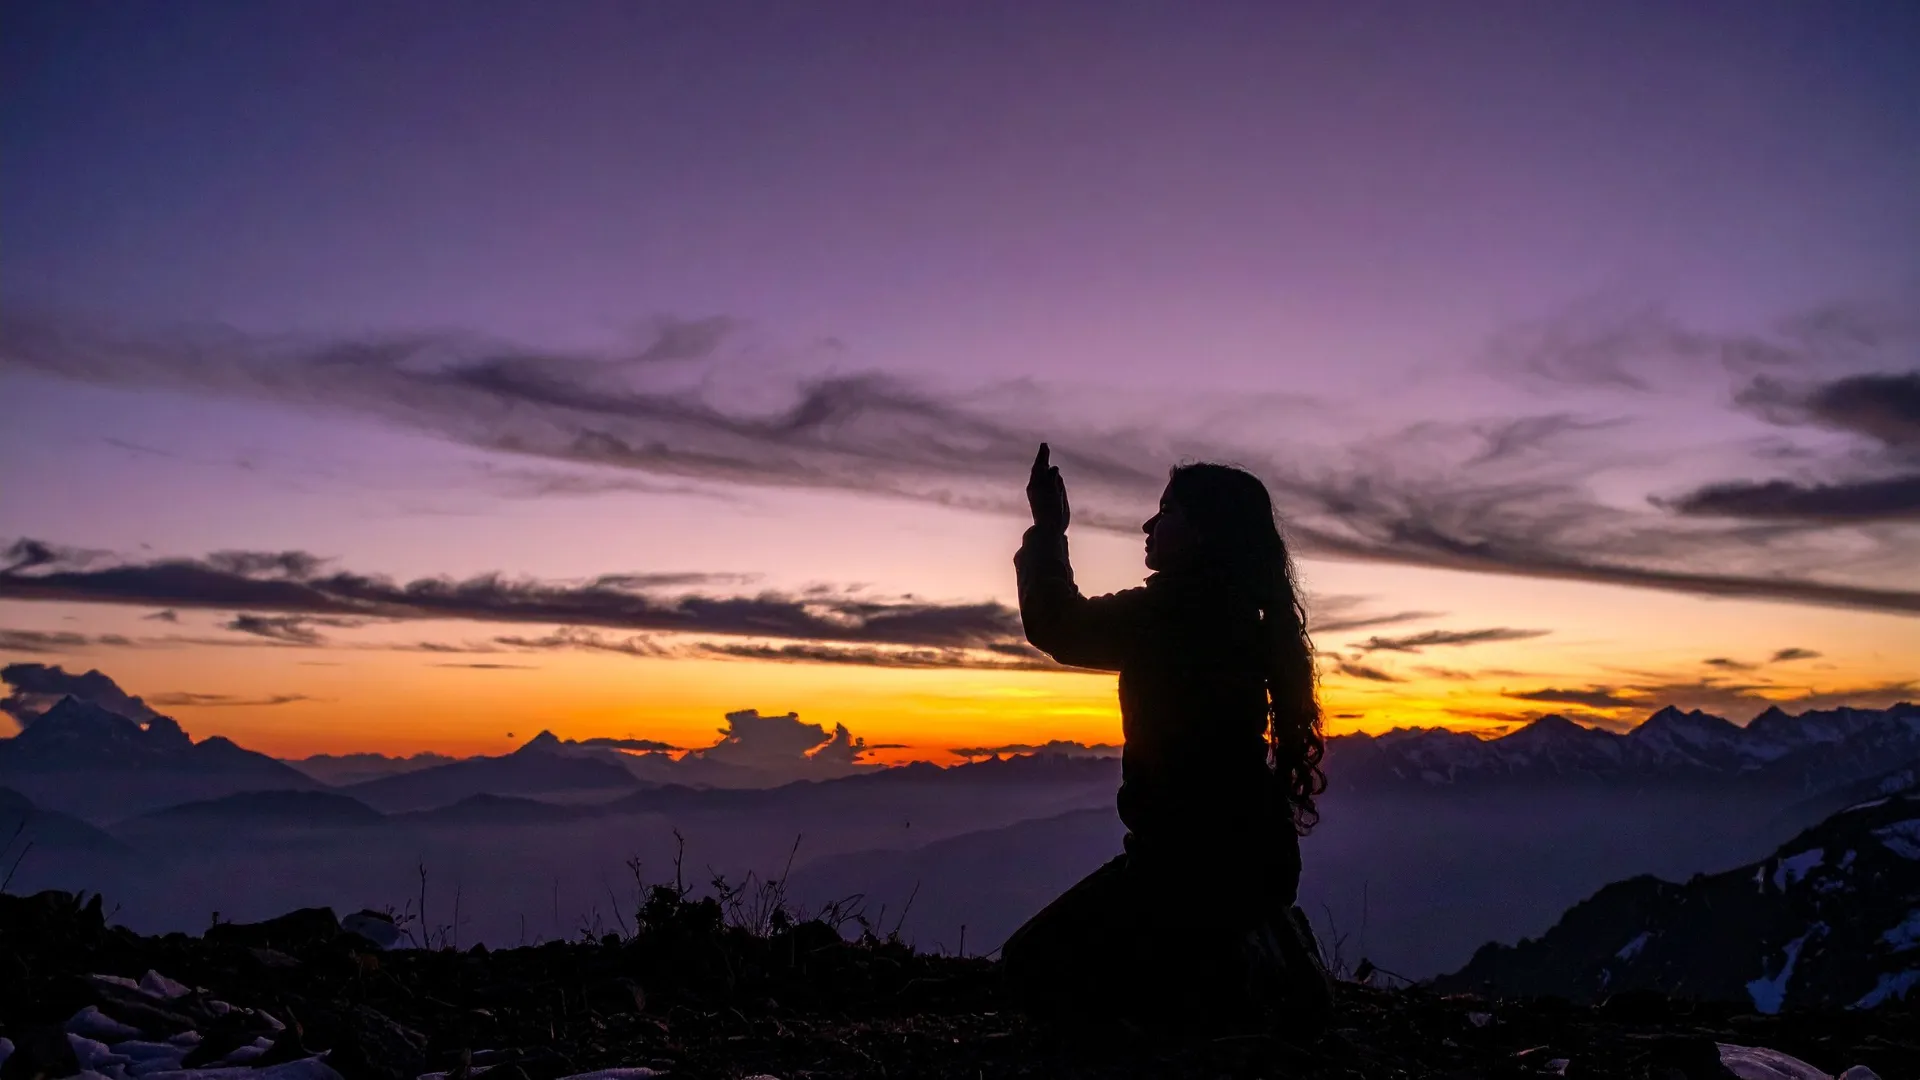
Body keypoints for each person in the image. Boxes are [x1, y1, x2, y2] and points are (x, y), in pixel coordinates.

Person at [1000, 443, 1333, 1035]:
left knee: (1033, 969)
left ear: (1205, 532)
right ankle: (1254, 942)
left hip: (1190, 867)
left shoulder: (1178, 611)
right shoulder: (1239, 611)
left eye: (1167, 511)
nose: (1149, 525)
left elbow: (1061, 625)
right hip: (1246, 859)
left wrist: (1049, 529)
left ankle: (1247, 970)